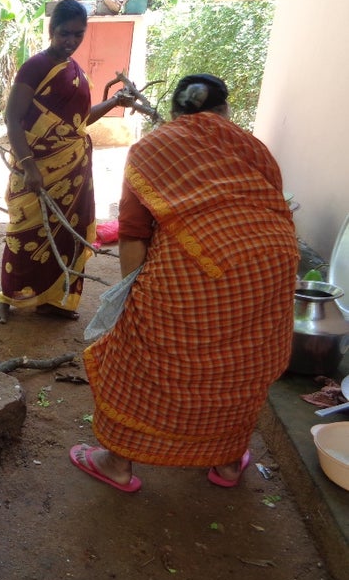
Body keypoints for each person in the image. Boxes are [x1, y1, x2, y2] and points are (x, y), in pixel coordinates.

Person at [70, 73, 298, 492]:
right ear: (224, 111)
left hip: (194, 274)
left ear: (174, 115)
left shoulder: (154, 147)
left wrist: (130, 299)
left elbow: (135, 232)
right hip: (273, 268)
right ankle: (229, 463)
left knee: (137, 357)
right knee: (242, 365)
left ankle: (117, 462)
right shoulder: (250, 146)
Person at [0, 0, 130, 325]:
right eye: (65, 33)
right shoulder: (35, 67)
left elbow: (78, 124)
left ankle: (54, 299)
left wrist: (114, 101)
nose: (71, 41)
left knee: (67, 233)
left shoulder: (75, 72)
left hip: (73, 172)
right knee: (24, 232)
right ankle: (7, 300)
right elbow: (13, 119)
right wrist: (29, 166)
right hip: (35, 168)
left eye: (78, 35)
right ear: (52, 30)